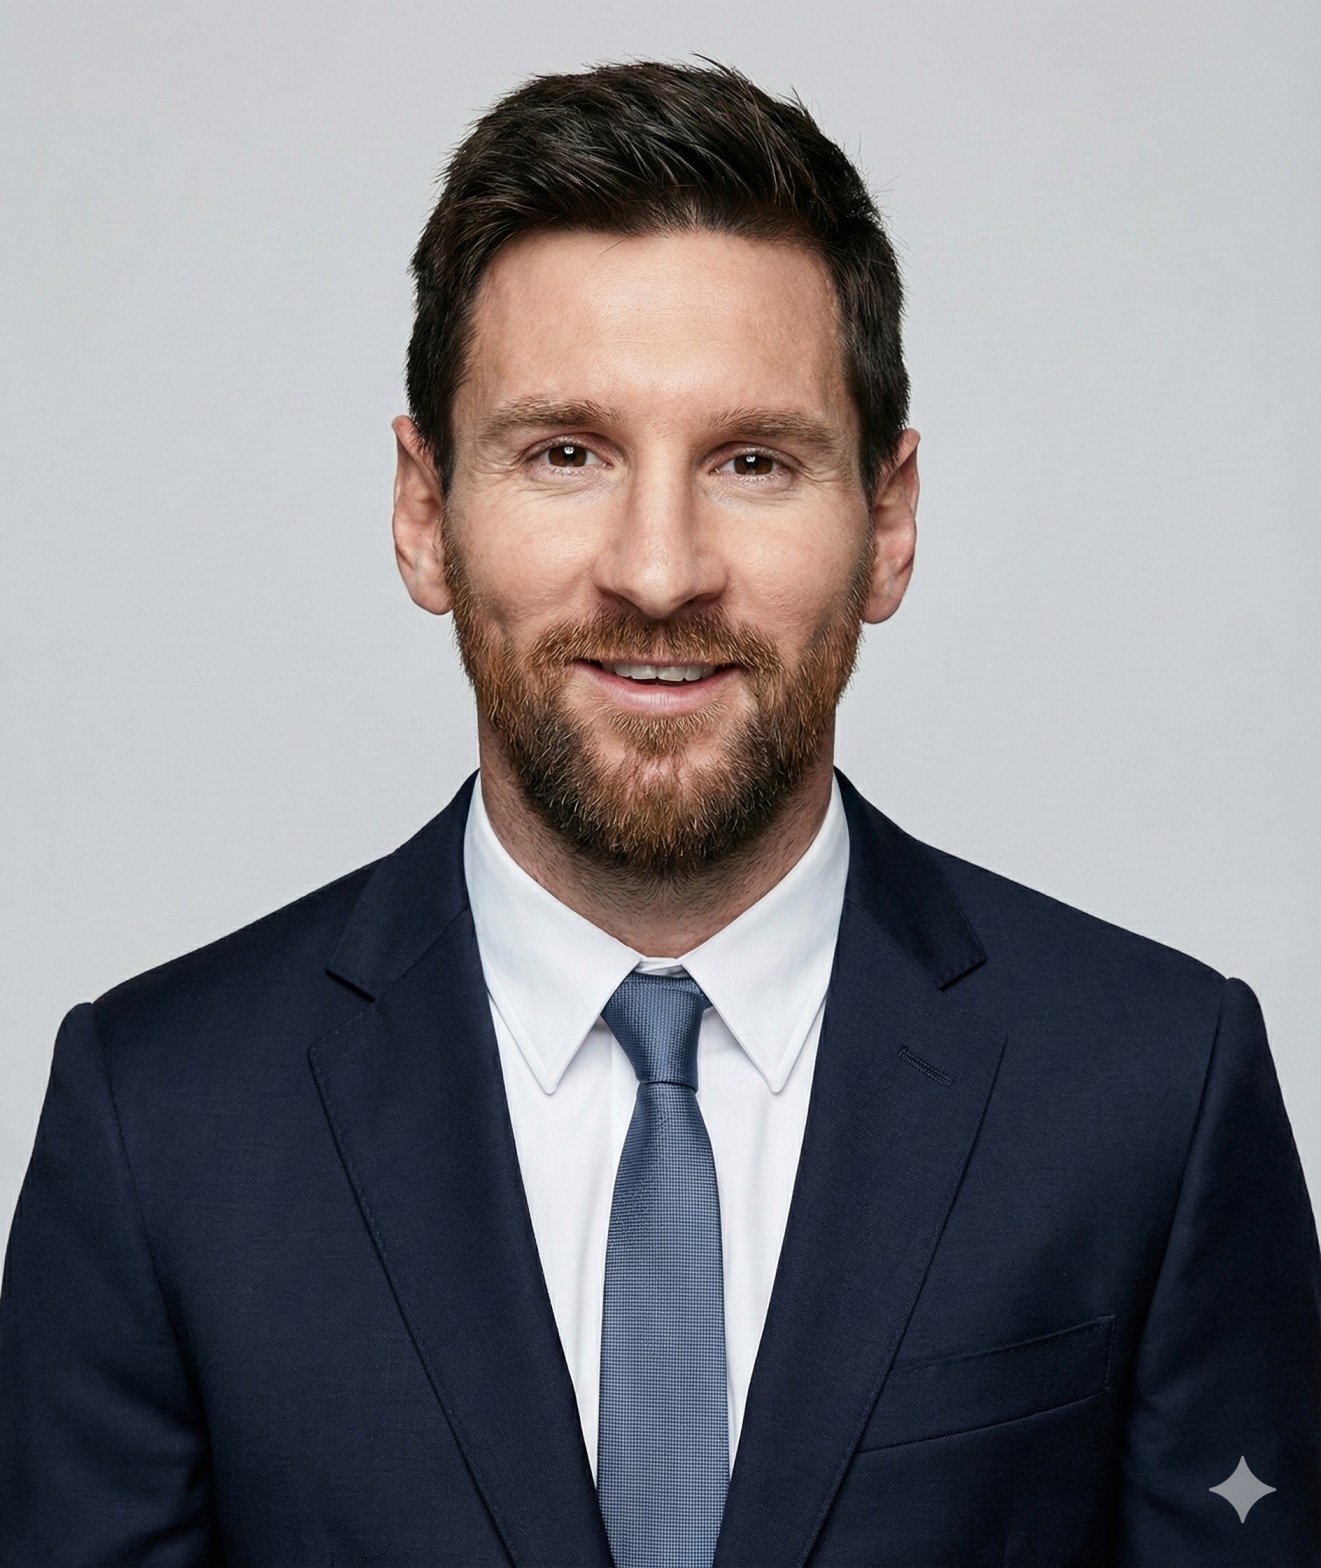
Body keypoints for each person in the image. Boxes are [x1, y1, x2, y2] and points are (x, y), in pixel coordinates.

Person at [0, 58, 1316, 1568]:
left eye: (752, 461)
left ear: (886, 526)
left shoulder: (1153, 1086)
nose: (657, 569)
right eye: (565, 453)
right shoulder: (159, 1120)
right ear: (424, 512)